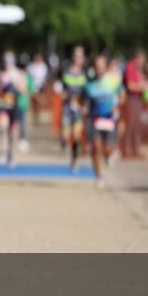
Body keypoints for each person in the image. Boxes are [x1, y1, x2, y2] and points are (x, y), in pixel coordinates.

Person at [83, 54, 123, 189]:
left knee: (106, 148)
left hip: (109, 119)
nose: (99, 69)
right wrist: (83, 108)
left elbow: (123, 96)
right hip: (94, 119)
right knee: (96, 147)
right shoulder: (89, 84)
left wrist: (116, 105)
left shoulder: (114, 80)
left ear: (106, 67)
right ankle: (99, 177)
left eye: (102, 66)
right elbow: (84, 101)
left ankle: (109, 154)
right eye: (97, 66)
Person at [0, 51, 28, 167]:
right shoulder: (1, 73)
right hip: (4, 105)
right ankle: (2, 153)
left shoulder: (19, 74)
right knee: (2, 128)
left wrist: (15, 82)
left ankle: (10, 155)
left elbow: (23, 90)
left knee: (12, 132)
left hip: (15, 106)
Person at [60, 45, 88, 173]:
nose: (79, 58)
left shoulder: (86, 74)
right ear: (73, 57)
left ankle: (74, 160)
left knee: (76, 136)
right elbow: (57, 85)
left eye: (81, 56)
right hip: (66, 107)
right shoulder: (65, 71)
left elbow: (88, 92)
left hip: (78, 108)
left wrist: (85, 105)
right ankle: (64, 143)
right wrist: (61, 93)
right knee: (66, 135)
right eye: (76, 55)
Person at [122, 48, 148, 158]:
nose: (144, 62)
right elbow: (130, 85)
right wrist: (143, 86)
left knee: (137, 125)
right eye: (143, 60)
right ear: (139, 58)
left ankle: (136, 149)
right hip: (131, 98)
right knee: (131, 125)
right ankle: (128, 150)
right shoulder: (130, 67)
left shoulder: (138, 69)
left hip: (138, 99)